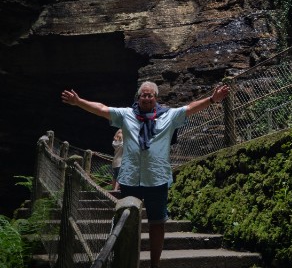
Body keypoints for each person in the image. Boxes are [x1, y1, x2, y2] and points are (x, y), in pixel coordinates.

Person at [61, 80, 229, 268]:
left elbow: (190, 108)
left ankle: (154, 265)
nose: (147, 98)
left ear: (156, 98)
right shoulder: (126, 115)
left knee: (157, 223)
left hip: (157, 178)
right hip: (130, 178)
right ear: (138, 97)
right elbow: (102, 109)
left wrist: (212, 99)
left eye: (150, 95)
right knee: (126, 222)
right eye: (144, 95)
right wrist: (79, 102)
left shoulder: (168, 116)